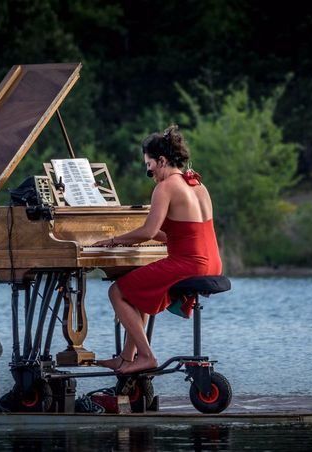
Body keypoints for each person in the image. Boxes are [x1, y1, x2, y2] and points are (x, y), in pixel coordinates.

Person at [92, 125, 222, 374]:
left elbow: (148, 232)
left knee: (117, 291)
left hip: (190, 264)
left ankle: (147, 356)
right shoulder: (197, 185)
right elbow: (183, 233)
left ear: (161, 160)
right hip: (212, 261)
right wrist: (137, 239)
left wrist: (113, 241)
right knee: (140, 291)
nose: (148, 170)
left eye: (149, 164)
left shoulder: (166, 187)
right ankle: (126, 358)